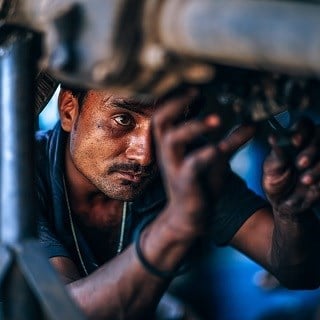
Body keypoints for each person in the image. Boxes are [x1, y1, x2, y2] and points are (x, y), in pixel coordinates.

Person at [37, 85, 320, 320]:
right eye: (123, 119)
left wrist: (290, 213)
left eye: (166, 126)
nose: (145, 156)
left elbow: (300, 271)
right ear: (68, 110)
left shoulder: (185, 164)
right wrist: (176, 223)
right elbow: (62, 311)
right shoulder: (13, 176)